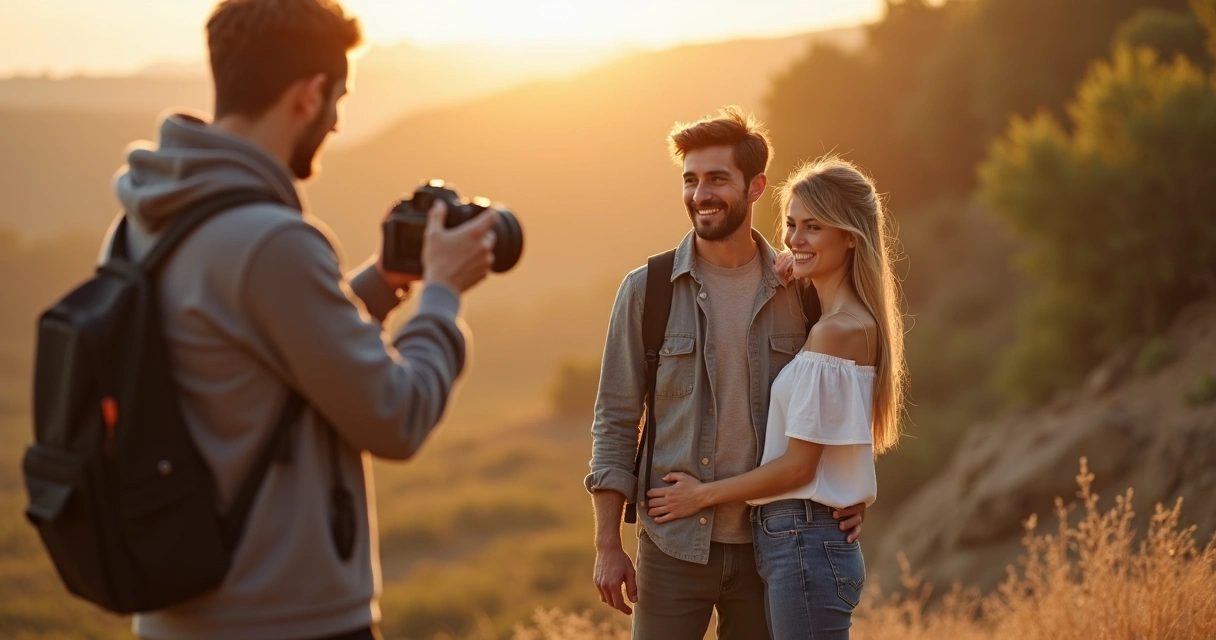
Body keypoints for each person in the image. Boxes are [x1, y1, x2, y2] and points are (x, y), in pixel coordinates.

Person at [104, 1, 497, 638]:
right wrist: (442, 297)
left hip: (177, 611)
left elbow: (252, 341)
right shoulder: (274, 241)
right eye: (338, 99)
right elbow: (397, 417)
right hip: (285, 615)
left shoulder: (145, 220)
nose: (337, 121)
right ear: (309, 94)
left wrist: (382, 284)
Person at [586, 107, 866, 640]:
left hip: (776, 550)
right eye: (690, 180)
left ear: (756, 186)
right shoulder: (647, 290)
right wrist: (606, 544)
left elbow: (840, 399)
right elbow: (615, 419)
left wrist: (853, 493)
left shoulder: (802, 292)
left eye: (717, 179)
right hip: (672, 548)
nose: (700, 194)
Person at [645, 155, 908, 639]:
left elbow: (799, 468)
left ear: (850, 235)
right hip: (800, 538)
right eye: (790, 225)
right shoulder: (836, 321)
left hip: (803, 540)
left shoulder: (837, 332)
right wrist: (793, 267)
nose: (794, 239)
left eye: (813, 227)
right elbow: (834, 448)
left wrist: (699, 496)